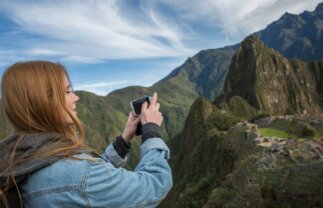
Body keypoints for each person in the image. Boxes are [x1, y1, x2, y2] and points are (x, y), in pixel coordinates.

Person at [0, 61, 172, 208]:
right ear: (44, 101)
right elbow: (155, 185)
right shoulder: (77, 177)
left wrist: (124, 139)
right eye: (67, 91)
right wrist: (151, 131)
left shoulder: (22, 155)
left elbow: (86, 181)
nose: (76, 97)